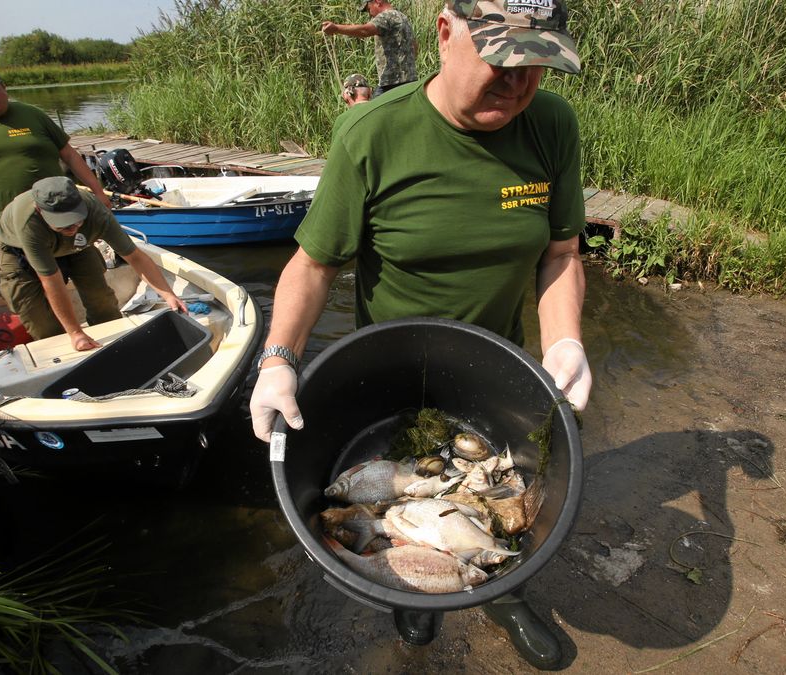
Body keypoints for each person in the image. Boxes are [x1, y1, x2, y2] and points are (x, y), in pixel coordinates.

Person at [252, 1, 587, 668]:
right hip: (392, 376)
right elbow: (313, 264)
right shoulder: (371, 133)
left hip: (497, 365)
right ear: (444, 33)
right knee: (403, 510)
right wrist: (279, 357)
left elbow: (561, 253)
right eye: (502, 59)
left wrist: (565, 341)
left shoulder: (551, 125)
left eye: (536, 67)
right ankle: (416, 604)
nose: (518, 84)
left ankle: (503, 590)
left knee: (513, 498)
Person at [0, 176, 184, 351]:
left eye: (76, 220)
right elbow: (51, 281)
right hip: (18, 248)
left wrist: (168, 295)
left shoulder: (95, 212)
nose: (72, 227)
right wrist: (75, 333)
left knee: (101, 300)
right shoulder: (29, 224)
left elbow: (134, 256)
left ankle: (116, 350)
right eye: (64, 223)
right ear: (39, 210)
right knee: (40, 321)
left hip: (78, 245)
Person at [0, 63, 112, 244]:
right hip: (12, 220)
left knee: (83, 262)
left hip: (62, 210)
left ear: (4, 88)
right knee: (34, 267)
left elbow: (70, 156)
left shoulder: (33, 114)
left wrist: (98, 192)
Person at [322, 0, 418, 102]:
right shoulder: (403, 18)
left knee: (369, 111)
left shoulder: (386, 16)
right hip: (410, 81)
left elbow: (365, 30)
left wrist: (336, 28)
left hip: (391, 83)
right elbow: (415, 46)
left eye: (369, 9)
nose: (370, 14)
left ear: (378, 1)